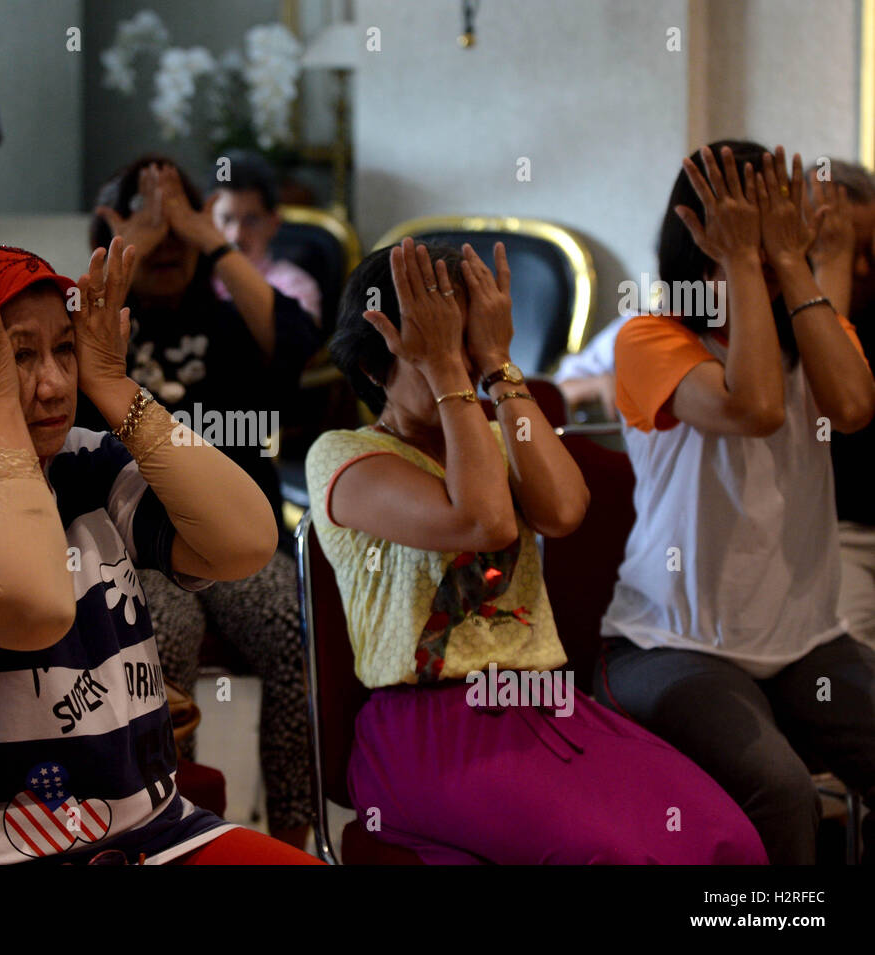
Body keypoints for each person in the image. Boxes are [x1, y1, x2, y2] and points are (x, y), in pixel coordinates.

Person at [0, 240, 321, 865]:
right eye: (15, 356)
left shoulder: (83, 459)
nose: (52, 385)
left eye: (63, 349)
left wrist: (115, 386)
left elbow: (244, 542)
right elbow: (33, 609)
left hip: (149, 831)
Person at [306, 237, 767, 864]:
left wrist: (499, 361)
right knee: (618, 857)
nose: (460, 364)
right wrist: (450, 374)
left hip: (546, 706)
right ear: (371, 367)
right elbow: (484, 521)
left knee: (725, 841)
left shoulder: (493, 431)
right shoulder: (343, 454)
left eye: (468, 343)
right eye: (438, 350)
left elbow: (563, 510)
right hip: (429, 730)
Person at [597, 141, 875, 863]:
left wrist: (789, 260)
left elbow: (850, 405)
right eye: (739, 227)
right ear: (698, 237)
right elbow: (753, 406)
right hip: (670, 642)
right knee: (781, 790)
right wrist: (753, 262)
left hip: (805, 639)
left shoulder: (811, 333)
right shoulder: (650, 338)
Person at [89, 156, 322, 847]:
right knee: (166, 635)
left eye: (180, 220)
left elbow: (298, 345)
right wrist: (120, 260)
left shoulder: (229, 324)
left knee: (292, 625)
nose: (168, 241)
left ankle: (296, 837)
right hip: (132, 545)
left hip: (239, 538)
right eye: (148, 221)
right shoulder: (92, 335)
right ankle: (177, 835)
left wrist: (213, 241)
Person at [809, 161, 875, 653]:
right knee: (851, 653)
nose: (858, 267)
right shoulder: (771, 312)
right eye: (838, 248)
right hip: (835, 530)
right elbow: (833, 402)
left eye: (867, 249)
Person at [211, 150, 322, 324]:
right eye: (226, 219)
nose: (236, 235)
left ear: (274, 223)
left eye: (251, 220)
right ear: (208, 221)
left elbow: (299, 347)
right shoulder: (193, 279)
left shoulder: (294, 286)